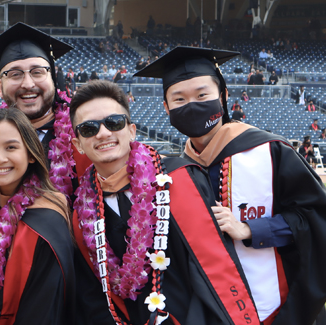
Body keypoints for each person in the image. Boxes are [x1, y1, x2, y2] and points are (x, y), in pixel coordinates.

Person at [135, 46, 326, 324]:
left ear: (223, 96)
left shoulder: (270, 151)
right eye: (179, 99)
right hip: (205, 311)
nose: (191, 105)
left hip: (273, 307)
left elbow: (315, 219)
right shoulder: (172, 173)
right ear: (165, 108)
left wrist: (250, 229)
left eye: (202, 95)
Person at [70, 80, 257, 324]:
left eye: (114, 122)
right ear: (78, 145)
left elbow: (210, 272)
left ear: (132, 130)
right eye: (88, 129)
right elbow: (91, 293)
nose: (103, 133)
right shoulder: (83, 214)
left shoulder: (179, 180)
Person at [0, 108, 75, 324]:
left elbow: (43, 312)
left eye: (11, 147)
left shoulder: (46, 222)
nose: (0, 158)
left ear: (31, 154)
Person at [0, 22, 91, 198]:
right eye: (15, 74)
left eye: (37, 72)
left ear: (52, 79)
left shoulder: (85, 135)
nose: (28, 84)